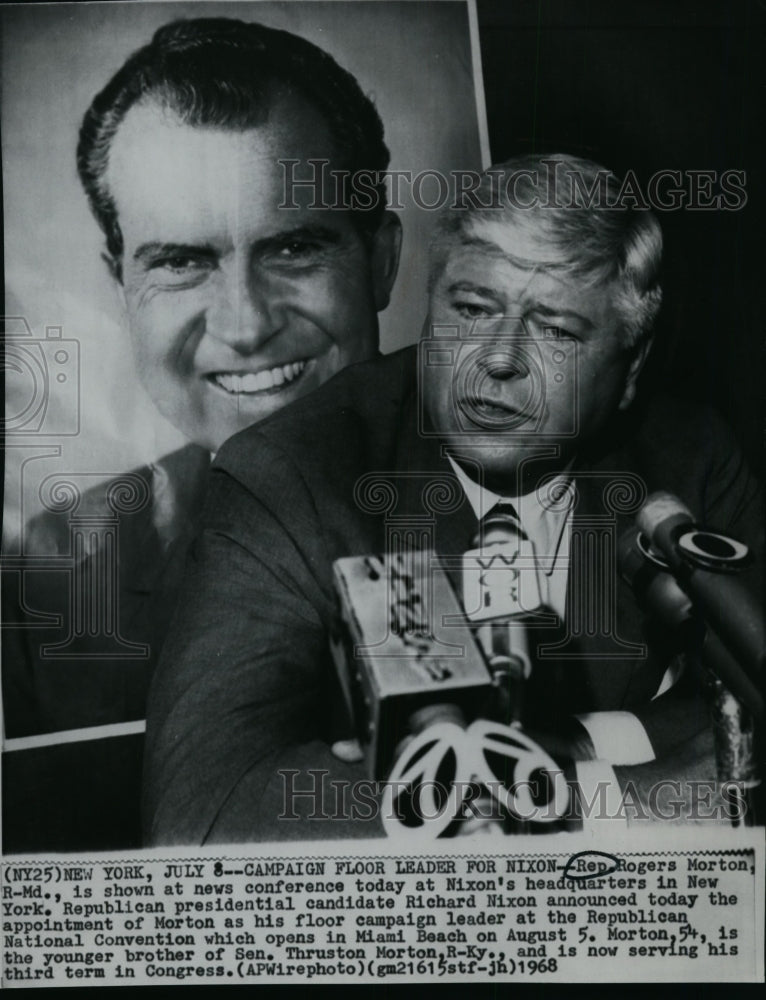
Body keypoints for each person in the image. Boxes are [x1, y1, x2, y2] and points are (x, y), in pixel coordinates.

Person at [143, 153, 763, 845]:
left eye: (554, 330)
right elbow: (204, 812)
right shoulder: (293, 477)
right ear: (429, 309)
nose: (498, 358)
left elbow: (750, 695)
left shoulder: (685, 456)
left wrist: (570, 749)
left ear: (630, 369)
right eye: (471, 309)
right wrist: (591, 797)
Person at [3, 17, 401, 738]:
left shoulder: (558, 508)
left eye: (295, 248)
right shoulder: (55, 579)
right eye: (183, 262)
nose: (245, 326)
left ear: (380, 262)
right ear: (120, 289)